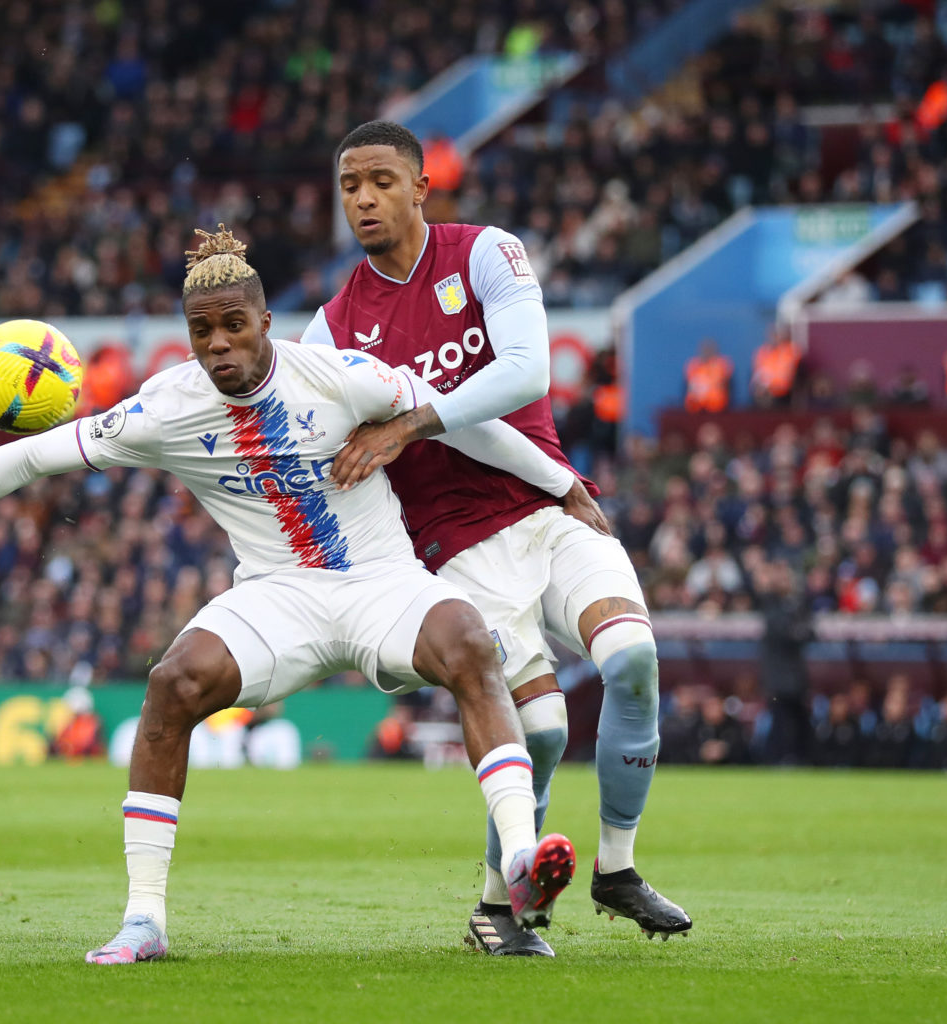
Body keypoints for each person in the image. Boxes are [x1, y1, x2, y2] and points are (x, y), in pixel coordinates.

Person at [0, 227, 580, 964]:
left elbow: (464, 425)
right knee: (172, 683)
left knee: (469, 641)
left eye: (233, 326)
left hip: (380, 583)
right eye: (202, 331)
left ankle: (519, 862)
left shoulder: (344, 375)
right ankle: (143, 919)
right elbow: (32, 458)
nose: (219, 344)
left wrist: (563, 483)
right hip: (276, 597)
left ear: (265, 323)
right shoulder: (166, 408)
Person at [300, 121, 690, 954]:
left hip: (554, 513)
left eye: (378, 180)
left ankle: (616, 870)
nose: (362, 199)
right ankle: (497, 909)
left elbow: (525, 373)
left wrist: (410, 425)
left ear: (419, 187)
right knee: (542, 733)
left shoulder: (486, 255)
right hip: (458, 552)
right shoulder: (330, 334)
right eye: (347, 186)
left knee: (633, 660)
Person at [758, 561, 815, 765]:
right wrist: (796, 631)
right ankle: (777, 758)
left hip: (796, 674)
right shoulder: (771, 603)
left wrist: (796, 631)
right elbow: (782, 631)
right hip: (778, 674)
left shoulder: (798, 603)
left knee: (799, 717)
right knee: (781, 718)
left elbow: (810, 632)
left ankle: (800, 758)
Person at [684, 339, 733, 413]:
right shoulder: (693, 366)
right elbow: (690, 388)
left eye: (710, 349)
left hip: (717, 407)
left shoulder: (722, 366)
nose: (707, 352)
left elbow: (724, 386)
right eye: (705, 349)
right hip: (696, 408)